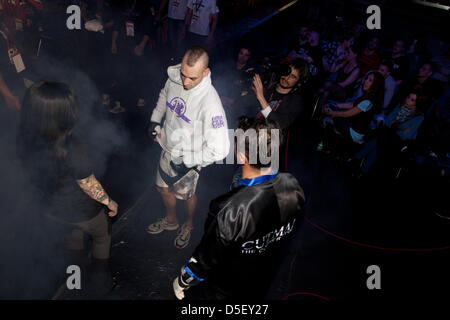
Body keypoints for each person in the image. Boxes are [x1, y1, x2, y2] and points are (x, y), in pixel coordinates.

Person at [172, 117, 305, 300]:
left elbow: (205, 259)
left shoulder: (229, 208)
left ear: (241, 156)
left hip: (226, 289)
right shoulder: (293, 185)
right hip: (263, 282)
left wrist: (183, 280)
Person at [17, 81, 118, 296]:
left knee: (73, 242)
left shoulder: (25, 138)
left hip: (53, 211)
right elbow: (89, 184)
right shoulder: (73, 147)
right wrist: (109, 202)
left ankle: (74, 284)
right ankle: (100, 284)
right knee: (102, 235)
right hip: (84, 213)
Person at [147, 46, 230, 249]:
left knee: (186, 195)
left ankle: (189, 224)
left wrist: (189, 162)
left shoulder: (211, 103)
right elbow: (163, 96)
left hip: (190, 157)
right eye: (183, 74)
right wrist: (155, 120)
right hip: (167, 147)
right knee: (162, 188)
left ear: (206, 72)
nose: (185, 82)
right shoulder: (175, 77)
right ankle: (171, 220)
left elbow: (221, 149)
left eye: (192, 78)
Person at [319, 71, 385, 151]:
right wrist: (335, 105)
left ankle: (323, 144)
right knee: (331, 108)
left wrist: (331, 112)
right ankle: (324, 143)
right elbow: (352, 104)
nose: (366, 81)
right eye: (366, 78)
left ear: (376, 85)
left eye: (370, 80)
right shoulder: (368, 95)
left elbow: (347, 114)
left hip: (354, 133)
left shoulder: (369, 101)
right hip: (352, 125)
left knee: (331, 114)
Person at [252, 58, 308, 131]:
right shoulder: (268, 87)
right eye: (287, 72)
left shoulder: (295, 101)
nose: (287, 78)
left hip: (270, 140)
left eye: (293, 76)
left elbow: (279, 124)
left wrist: (261, 97)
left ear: (299, 82)